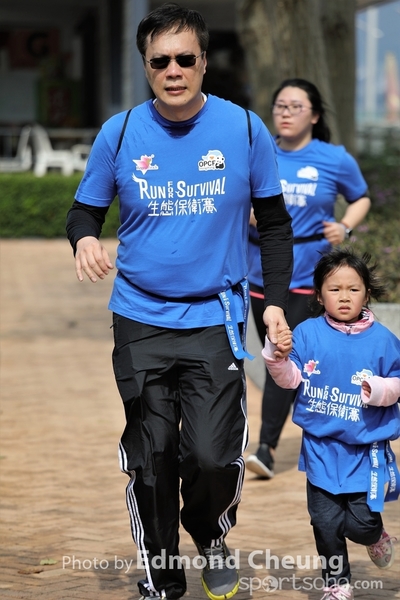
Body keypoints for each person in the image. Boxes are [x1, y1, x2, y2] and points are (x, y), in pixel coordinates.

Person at [66, 4, 293, 600]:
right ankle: (162, 579)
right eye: (159, 61)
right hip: (140, 318)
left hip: (216, 320)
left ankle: (211, 535)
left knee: (213, 457)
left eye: (185, 58)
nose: (173, 70)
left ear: (203, 62)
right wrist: (85, 237)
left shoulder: (245, 129)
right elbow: (84, 211)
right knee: (153, 455)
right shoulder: (120, 132)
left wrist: (272, 303)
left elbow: (274, 225)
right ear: (146, 66)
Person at [246, 78, 371, 479]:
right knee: (276, 355)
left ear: (314, 115)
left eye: (295, 107)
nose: (285, 113)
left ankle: (265, 447)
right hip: (260, 269)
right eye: (280, 106)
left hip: (308, 272)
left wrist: (344, 226)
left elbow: (361, 196)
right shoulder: (258, 150)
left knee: (281, 353)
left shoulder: (333, 158)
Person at [262, 247, 400, 600]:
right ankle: (337, 583)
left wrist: (381, 389)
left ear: (367, 294)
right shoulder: (307, 333)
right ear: (319, 295)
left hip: (365, 450)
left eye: (353, 289)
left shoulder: (384, 340)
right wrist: (277, 357)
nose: (344, 296)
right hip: (321, 449)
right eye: (335, 289)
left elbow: (398, 380)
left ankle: (375, 535)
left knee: (360, 524)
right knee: (325, 523)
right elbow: (290, 379)